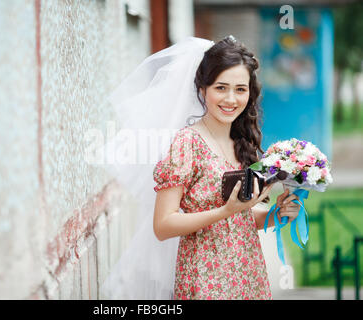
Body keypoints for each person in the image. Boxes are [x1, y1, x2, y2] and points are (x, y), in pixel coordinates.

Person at [100, 35, 300, 300]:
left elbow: (239, 219)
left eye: (240, 89)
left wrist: (277, 214)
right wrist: (225, 210)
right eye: (221, 88)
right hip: (206, 279)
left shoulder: (241, 142)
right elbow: (163, 225)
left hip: (248, 275)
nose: (231, 99)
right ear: (202, 89)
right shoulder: (187, 143)